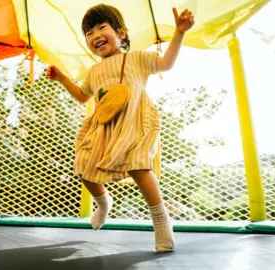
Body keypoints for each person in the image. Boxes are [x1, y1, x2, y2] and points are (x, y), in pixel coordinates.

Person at [47, 4, 194, 253]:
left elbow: (166, 63)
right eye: (89, 33)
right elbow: (83, 97)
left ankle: (161, 221)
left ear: (121, 32)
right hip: (104, 127)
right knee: (85, 169)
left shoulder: (136, 58)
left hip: (135, 121)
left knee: (139, 166)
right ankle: (103, 203)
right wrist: (63, 79)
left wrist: (179, 32)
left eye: (102, 28)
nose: (95, 36)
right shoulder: (94, 71)